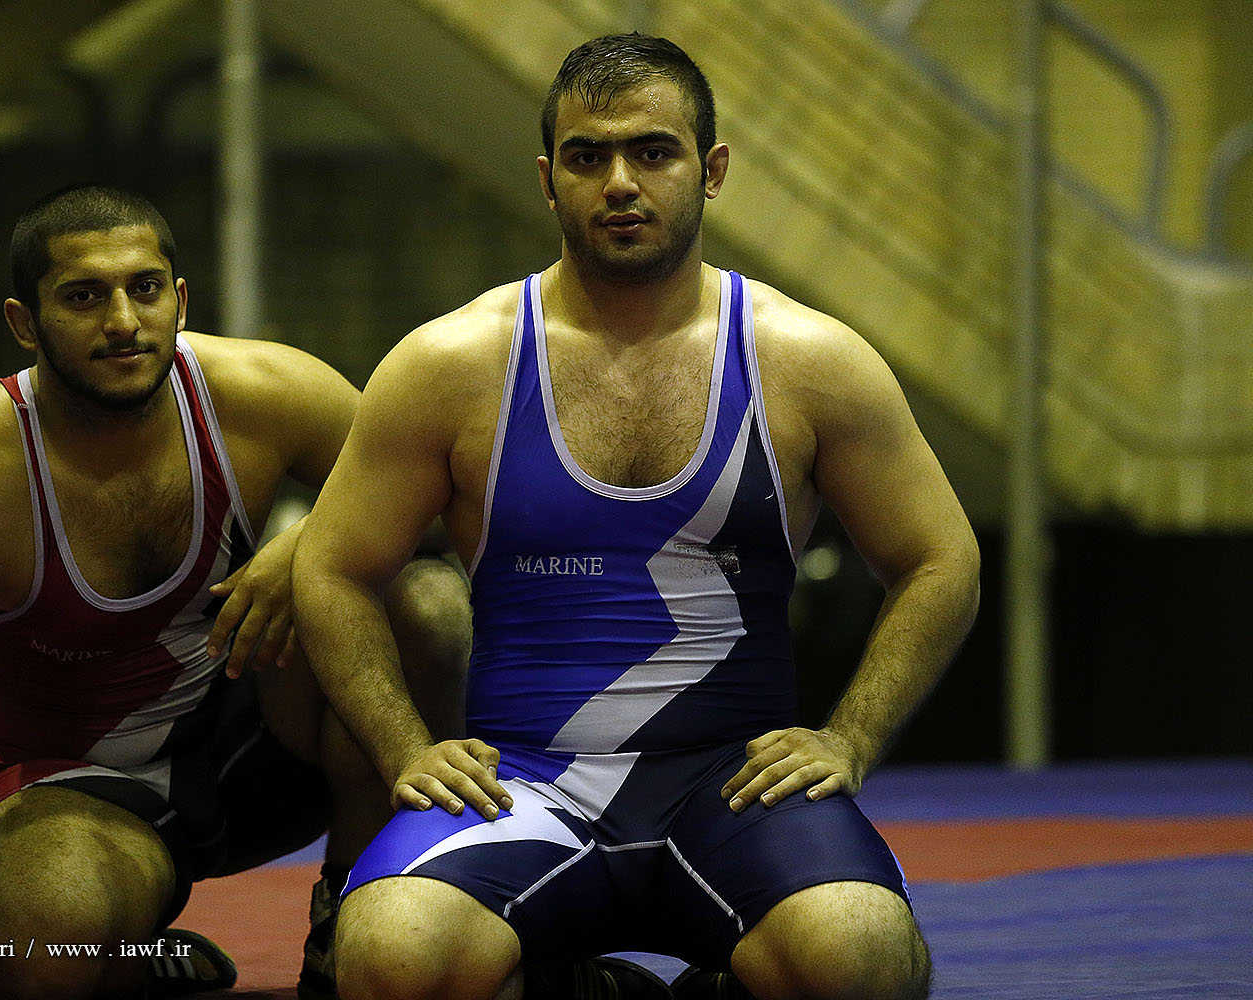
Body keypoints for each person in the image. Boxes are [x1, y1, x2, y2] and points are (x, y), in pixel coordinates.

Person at [291, 32, 980, 1000]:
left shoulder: (807, 360)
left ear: (712, 170)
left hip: (732, 785)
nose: (620, 182)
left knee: (860, 959)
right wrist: (406, 747)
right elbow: (332, 567)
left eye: (653, 152)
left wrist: (850, 738)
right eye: (588, 156)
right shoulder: (453, 364)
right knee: (393, 959)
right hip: (527, 782)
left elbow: (940, 559)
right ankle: (582, 982)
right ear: (548, 180)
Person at [0, 185, 470, 1000]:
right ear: (25, 323)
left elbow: (444, 509)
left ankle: (352, 911)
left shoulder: (265, 392)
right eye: (84, 297)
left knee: (425, 603)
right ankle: (127, 952)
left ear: (180, 301)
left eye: (144, 289)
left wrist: (310, 541)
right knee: (40, 952)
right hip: (77, 785)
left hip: (268, 748)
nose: (123, 321)